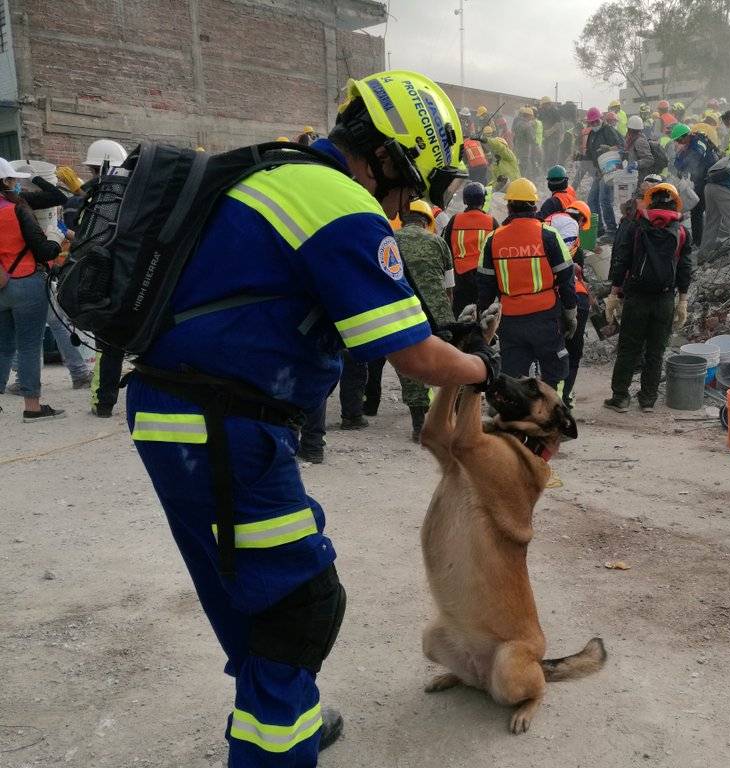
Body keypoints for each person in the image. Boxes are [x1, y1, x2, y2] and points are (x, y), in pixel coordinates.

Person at [124, 70, 499, 767]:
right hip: (222, 426)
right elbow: (413, 353)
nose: (411, 198)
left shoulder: (276, 171)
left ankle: (280, 709)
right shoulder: (338, 203)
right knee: (298, 606)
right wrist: (484, 372)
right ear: (388, 155)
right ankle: (276, 739)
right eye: (414, 180)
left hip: (181, 414)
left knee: (251, 593)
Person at [478, 177, 575, 388]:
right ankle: (551, 415)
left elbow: (485, 287)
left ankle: (515, 417)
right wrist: (570, 312)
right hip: (546, 317)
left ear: (509, 206)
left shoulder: (493, 239)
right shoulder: (549, 234)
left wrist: (484, 321)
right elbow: (567, 278)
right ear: (534, 205)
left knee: (512, 377)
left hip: (511, 320)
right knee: (554, 373)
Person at [604, 183, 693, 413]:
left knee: (628, 348)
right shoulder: (681, 232)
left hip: (636, 298)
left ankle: (620, 398)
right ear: (675, 203)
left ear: (649, 200)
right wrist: (682, 300)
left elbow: (621, 260)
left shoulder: (636, 226)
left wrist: (614, 293)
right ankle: (647, 400)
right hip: (664, 300)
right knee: (656, 350)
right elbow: (684, 268)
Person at [0, 158, 65, 421]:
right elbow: (44, 250)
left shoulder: (17, 205)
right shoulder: (17, 210)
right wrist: (56, 239)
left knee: (2, 348)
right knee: (28, 346)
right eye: (14, 179)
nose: (16, 183)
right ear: (5, 181)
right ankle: (32, 408)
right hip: (26, 281)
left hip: (0, 285)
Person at [70, 139, 131, 417]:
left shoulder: (102, 200)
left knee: (107, 345)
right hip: (133, 275)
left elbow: (85, 237)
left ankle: (103, 402)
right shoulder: (135, 193)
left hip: (103, 278)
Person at [393, 200, 457, 441]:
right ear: (428, 221)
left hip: (404, 313)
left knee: (410, 365)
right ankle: (449, 419)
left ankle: (419, 424)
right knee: (447, 364)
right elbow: (450, 287)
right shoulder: (438, 242)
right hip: (439, 314)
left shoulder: (391, 240)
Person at [442, 182, 498, 317]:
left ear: (465, 200)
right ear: (483, 200)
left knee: (460, 316)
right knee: (483, 317)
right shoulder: (491, 221)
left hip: (459, 279)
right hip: (484, 279)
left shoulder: (455, 220)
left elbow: (446, 247)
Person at [560, 200, 593, 407]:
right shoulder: (574, 245)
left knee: (554, 349)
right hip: (575, 299)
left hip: (550, 300)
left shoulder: (549, 233)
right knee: (573, 352)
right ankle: (564, 396)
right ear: (580, 219)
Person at [585, 110, 625, 241]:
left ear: (601, 119)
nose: (594, 124)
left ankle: (612, 230)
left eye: (596, 121)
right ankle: (599, 229)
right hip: (599, 170)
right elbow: (590, 154)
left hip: (610, 169)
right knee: (592, 200)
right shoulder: (592, 134)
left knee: (604, 199)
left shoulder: (608, 130)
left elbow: (622, 147)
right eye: (592, 122)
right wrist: (580, 156)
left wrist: (608, 148)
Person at [625, 115, 658, 179]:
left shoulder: (640, 141)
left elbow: (649, 160)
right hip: (633, 175)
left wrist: (636, 164)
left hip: (640, 176)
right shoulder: (631, 139)